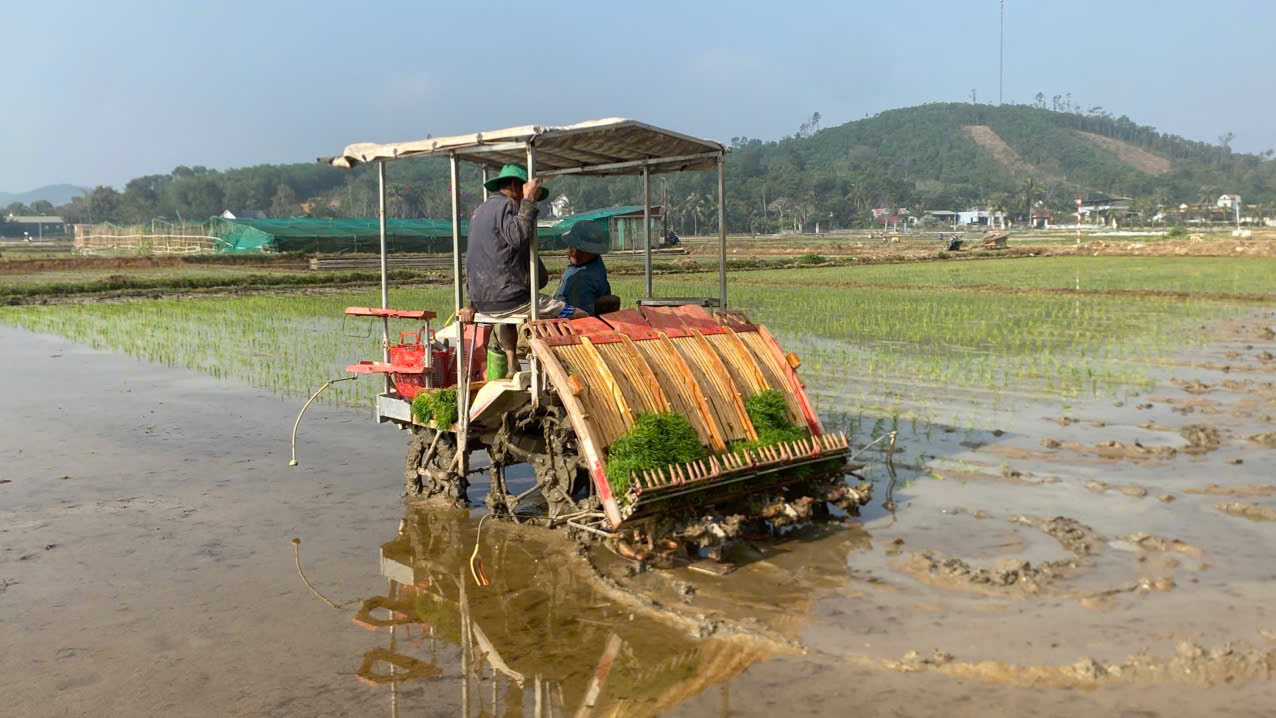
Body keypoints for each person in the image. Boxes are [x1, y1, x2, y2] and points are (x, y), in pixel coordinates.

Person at [461, 164, 587, 378]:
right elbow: (518, 237)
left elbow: (482, 258)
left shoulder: (480, 211)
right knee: (579, 315)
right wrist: (528, 202)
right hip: (509, 299)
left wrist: (471, 302)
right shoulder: (508, 206)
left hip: (484, 301)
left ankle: (513, 365)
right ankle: (579, 368)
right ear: (514, 186)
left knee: (507, 319)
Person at [554, 220, 619, 316]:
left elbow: (581, 317)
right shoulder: (594, 263)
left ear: (593, 251)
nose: (574, 253)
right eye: (572, 246)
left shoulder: (581, 278)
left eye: (582, 250)